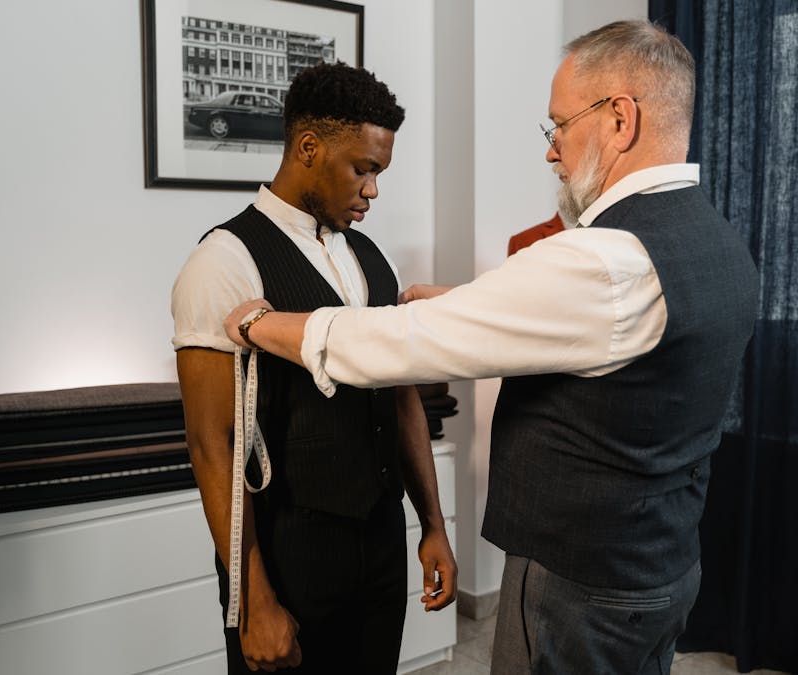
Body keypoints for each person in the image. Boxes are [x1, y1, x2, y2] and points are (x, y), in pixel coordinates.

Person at [221, 21, 759, 675]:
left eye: (559, 125)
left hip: (581, 584)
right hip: (663, 567)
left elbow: (400, 343)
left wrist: (258, 325)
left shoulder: (605, 258)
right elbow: (604, 329)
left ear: (620, 118)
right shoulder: (719, 243)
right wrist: (463, 301)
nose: (552, 150)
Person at [171, 62, 457, 674]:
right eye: (364, 169)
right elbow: (210, 446)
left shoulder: (371, 258)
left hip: (380, 541)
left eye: (379, 172)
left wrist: (432, 524)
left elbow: (400, 397)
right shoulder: (223, 260)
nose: (373, 190)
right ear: (308, 148)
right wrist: (252, 598)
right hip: (287, 551)